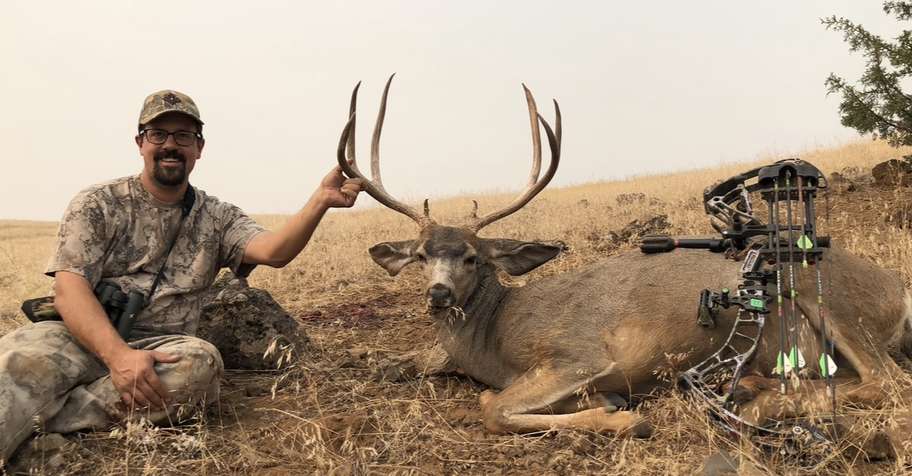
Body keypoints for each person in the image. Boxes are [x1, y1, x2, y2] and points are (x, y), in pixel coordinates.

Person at [0, 90, 363, 462]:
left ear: (199, 148)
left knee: (200, 367)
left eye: (183, 136)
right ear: (140, 143)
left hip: (161, 349)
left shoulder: (218, 217)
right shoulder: (97, 203)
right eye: (158, 134)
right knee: (15, 365)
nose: (170, 145)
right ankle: (50, 411)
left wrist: (320, 200)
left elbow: (275, 251)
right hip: (79, 333)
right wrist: (118, 357)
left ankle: (49, 418)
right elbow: (69, 289)